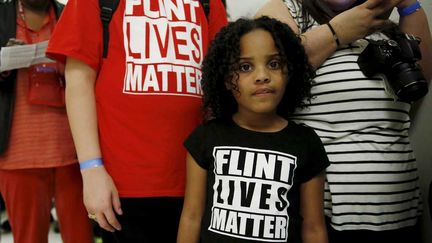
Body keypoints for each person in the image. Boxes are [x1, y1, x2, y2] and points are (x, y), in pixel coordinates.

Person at [45, 0, 228, 241]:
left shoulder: (207, 3)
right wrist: (91, 171)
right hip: (122, 185)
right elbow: (78, 80)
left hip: (197, 178)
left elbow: (223, 78)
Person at [256, 0, 432, 243]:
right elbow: (270, 72)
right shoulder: (289, 9)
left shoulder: (384, 25)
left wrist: (408, 5)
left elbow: (418, 83)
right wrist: (338, 31)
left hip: (399, 208)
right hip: (319, 217)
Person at [177, 16, 330, 243]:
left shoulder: (305, 142)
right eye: (245, 67)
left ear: (289, 72)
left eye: (274, 64)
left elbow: (314, 228)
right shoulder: (206, 138)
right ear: (227, 80)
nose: (262, 76)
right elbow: (191, 217)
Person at [0, 0, 94, 243]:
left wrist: (71, 67)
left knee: (81, 236)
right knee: (28, 237)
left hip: (75, 153)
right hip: (17, 155)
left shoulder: (68, 14)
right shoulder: (2, 15)